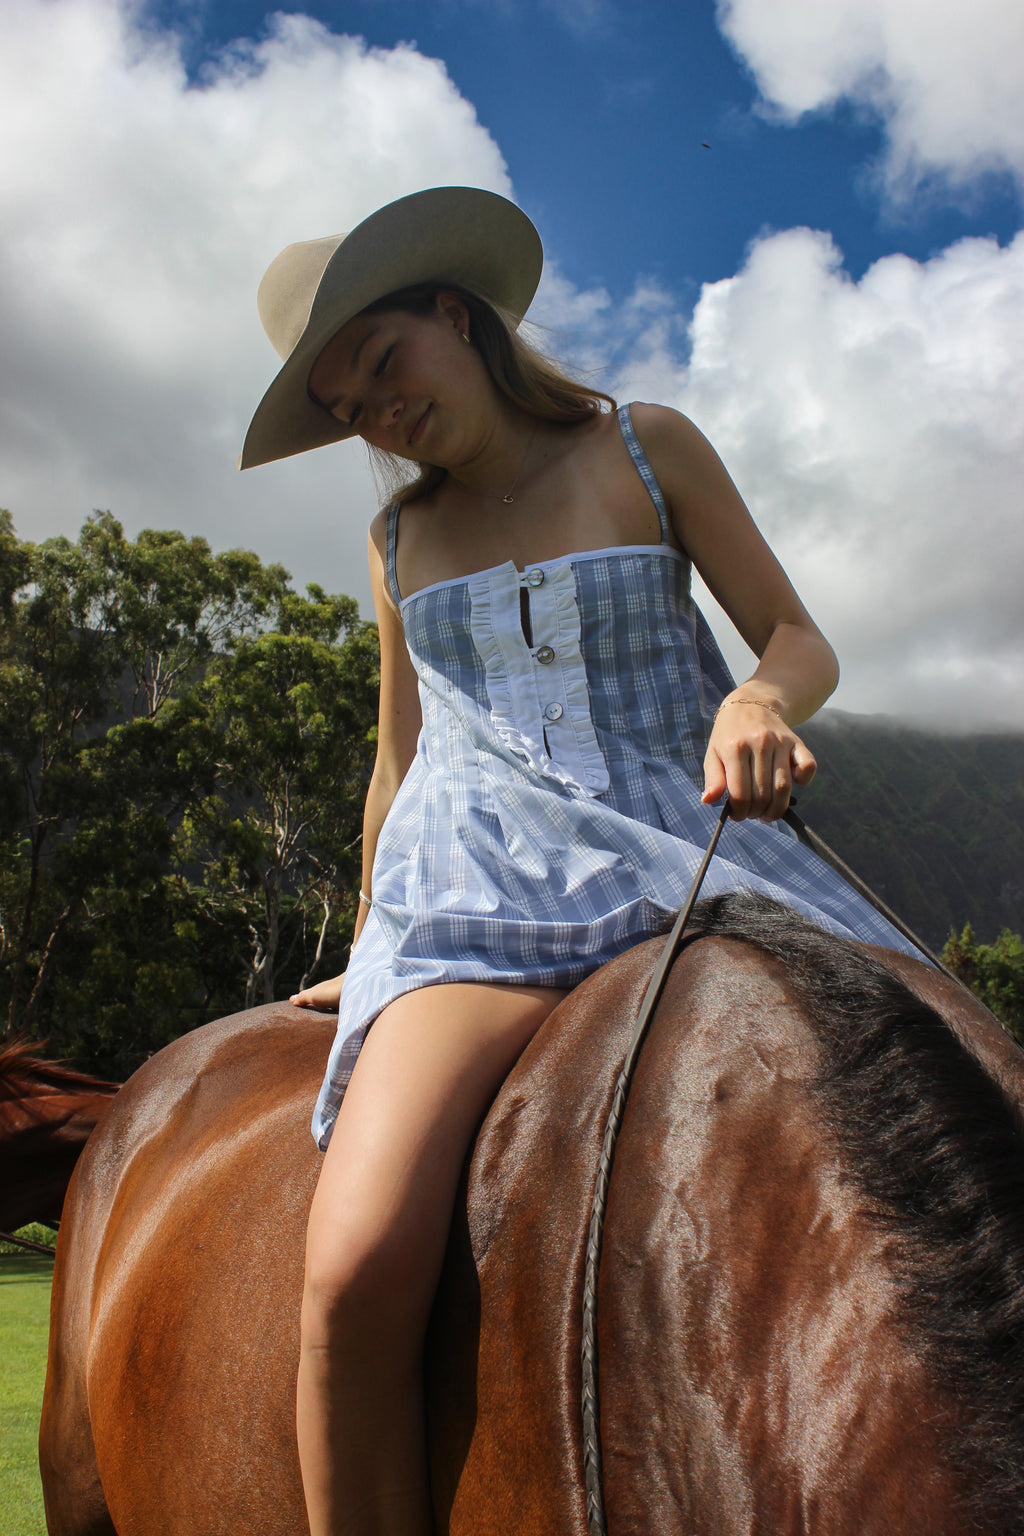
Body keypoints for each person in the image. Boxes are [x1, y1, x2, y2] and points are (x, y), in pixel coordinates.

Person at [241, 186, 917, 1536]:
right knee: (352, 1268)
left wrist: (758, 701)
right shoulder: (395, 542)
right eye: (347, 407)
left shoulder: (645, 448)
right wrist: (373, 945)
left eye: (384, 364)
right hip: (475, 903)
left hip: (694, 856)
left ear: (454, 312)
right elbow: (400, 759)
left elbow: (796, 632)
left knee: (954, 1105)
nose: (379, 412)